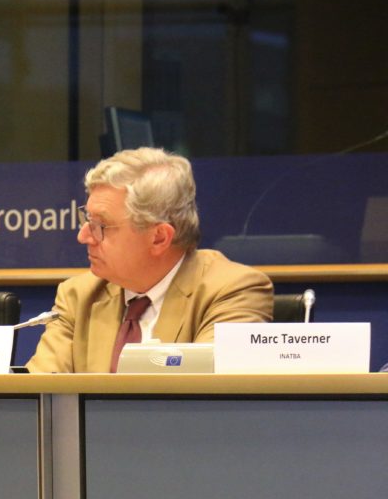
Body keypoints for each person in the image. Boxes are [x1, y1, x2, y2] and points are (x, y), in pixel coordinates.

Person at [27, 147, 273, 373]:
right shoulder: (77, 296)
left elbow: (202, 395)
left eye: (100, 225)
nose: (83, 236)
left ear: (159, 238)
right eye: (86, 219)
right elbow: (39, 393)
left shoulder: (232, 291)